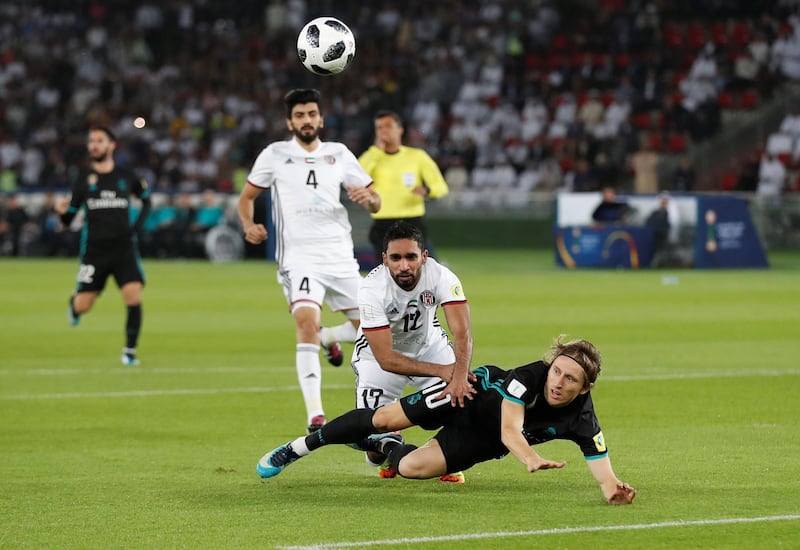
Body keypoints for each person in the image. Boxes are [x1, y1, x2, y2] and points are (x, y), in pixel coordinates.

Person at [256, 335, 637, 506]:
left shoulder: (583, 418)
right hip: (466, 393)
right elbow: (510, 427)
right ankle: (297, 448)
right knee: (386, 417)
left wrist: (611, 490)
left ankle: (386, 449)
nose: (558, 381)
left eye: (570, 379)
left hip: (483, 441)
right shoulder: (529, 376)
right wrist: (530, 458)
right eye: (557, 371)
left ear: (585, 388)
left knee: (409, 468)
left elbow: (602, 468)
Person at [238, 88, 381, 434]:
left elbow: (376, 202)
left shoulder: (340, 154)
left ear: (321, 118)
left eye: (312, 114)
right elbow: (246, 198)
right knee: (304, 323)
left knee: (375, 330)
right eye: (299, 115)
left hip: (339, 256)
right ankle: (316, 415)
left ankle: (327, 336)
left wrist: (370, 198)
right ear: (290, 121)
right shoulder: (274, 154)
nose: (307, 121)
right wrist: (248, 225)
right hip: (299, 259)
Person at [351, 220, 474, 483]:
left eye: (411, 257)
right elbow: (386, 358)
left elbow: (462, 332)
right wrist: (442, 371)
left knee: (462, 405)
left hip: (429, 346)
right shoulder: (371, 289)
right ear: (384, 259)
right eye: (396, 258)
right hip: (378, 359)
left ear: (424, 256)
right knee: (373, 436)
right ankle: (388, 452)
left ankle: (442, 457)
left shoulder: (441, 276)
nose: (404, 265)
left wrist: (460, 375)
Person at [55, 126, 152, 366]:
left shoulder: (127, 176)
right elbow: (68, 220)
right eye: (91, 141)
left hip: (124, 248)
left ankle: (129, 352)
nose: (94, 145)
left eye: (99, 141)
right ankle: (74, 306)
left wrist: (135, 227)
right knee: (84, 305)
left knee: (133, 296)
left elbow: (147, 201)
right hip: (95, 251)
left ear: (112, 145)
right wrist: (61, 212)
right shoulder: (83, 180)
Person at [358, 110, 449, 266]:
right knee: (385, 271)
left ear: (400, 130)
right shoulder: (372, 157)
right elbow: (357, 178)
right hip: (383, 223)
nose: (383, 131)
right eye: (379, 128)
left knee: (419, 270)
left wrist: (427, 191)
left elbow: (440, 186)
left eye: (388, 126)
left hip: (412, 221)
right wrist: (375, 151)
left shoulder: (417, 157)